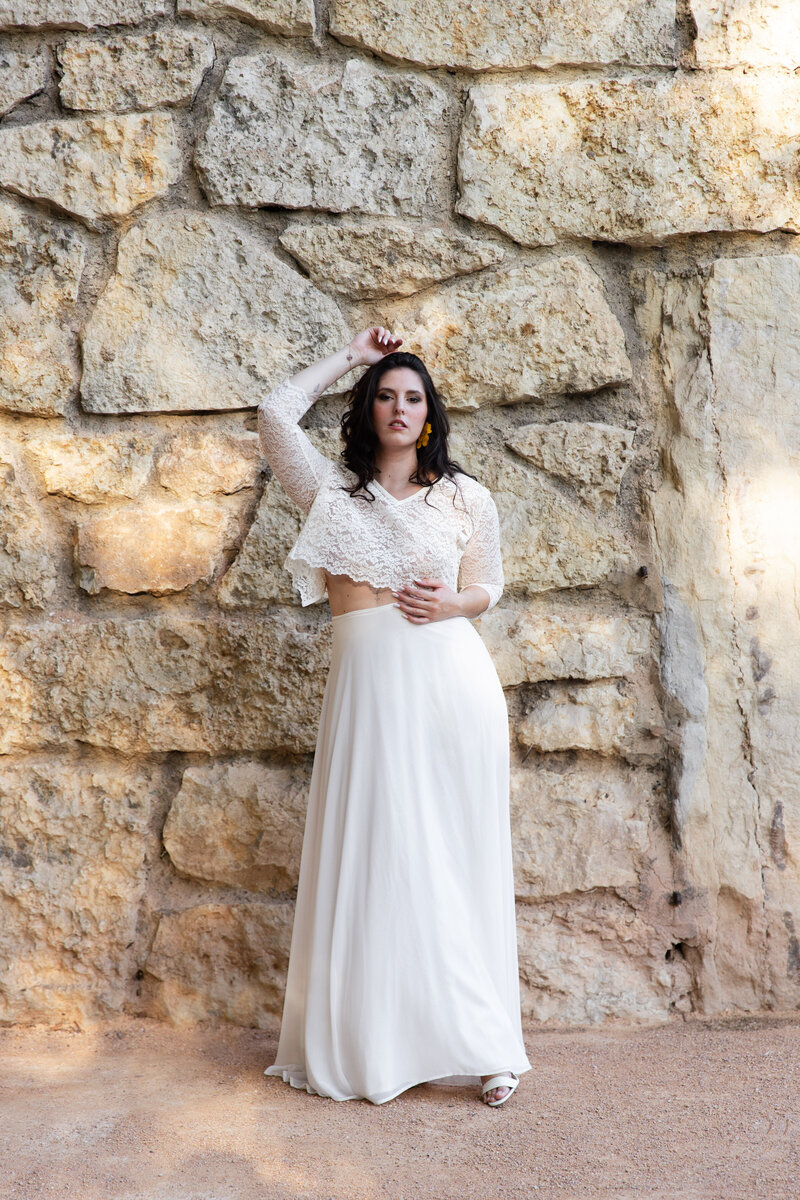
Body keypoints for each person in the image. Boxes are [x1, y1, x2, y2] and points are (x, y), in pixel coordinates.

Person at [258, 325, 532, 1107]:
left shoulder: (464, 497)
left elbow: (490, 587)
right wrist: (351, 353)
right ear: (368, 408)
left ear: (431, 414)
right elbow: (276, 412)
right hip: (368, 689)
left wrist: (454, 603)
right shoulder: (329, 492)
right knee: (379, 856)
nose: (399, 408)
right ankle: (376, 1041)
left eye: (413, 397)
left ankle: (488, 1048)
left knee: (453, 858)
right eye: (386, 395)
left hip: (450, 681)